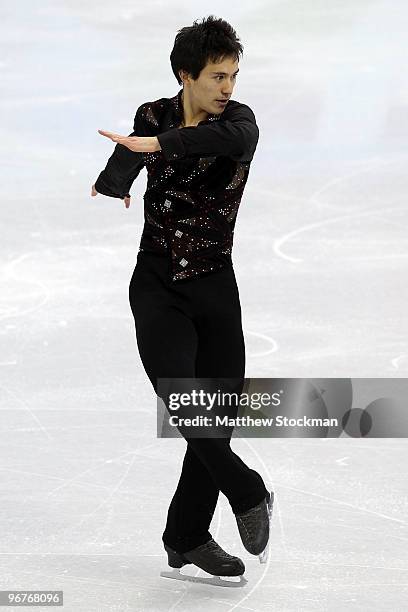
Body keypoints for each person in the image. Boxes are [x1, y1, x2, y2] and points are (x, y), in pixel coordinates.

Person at [91, 15, 273, 580]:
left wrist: (159, 145)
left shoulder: (239, 125)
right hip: (158, 286)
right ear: (184, 74)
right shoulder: (153, 114)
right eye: (217, 76)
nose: (227, 88)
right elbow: (133, 148)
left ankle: (186, 536)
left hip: (217, 288)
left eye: (234, 76)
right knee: (185, 404)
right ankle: (248, 489)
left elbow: (215, 140)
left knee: (213, 419)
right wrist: (115, 179)